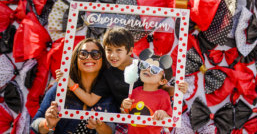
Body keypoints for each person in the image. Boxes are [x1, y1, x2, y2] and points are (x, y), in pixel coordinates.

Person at [57, 27, 188, 111]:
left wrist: (178, 89)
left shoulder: (143, 66)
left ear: (130, 50)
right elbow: (90, 100)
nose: (113, 55)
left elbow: (164, 90)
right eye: (109, 50)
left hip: (154, 114)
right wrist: (70, 83)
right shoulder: (108, 74)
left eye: (119, 50)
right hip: (129, 117)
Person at [31, 38, 116, 134]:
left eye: (95, 54)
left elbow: (112, 130)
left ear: (103, 60)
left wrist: (100, 126)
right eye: (83, 54)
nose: (89, 57)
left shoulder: (109, 94)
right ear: (76, 59)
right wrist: (48, 124)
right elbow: (35, 124)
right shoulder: (60, 89)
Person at [121, 50, 173, 134]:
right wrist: (124, 105)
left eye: (154, 69)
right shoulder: (134, 91)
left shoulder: (163, 95)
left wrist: (163, 114)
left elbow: (169, 120)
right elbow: (126, 113)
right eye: (145, 65)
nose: (148, 69)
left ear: (162, 81)